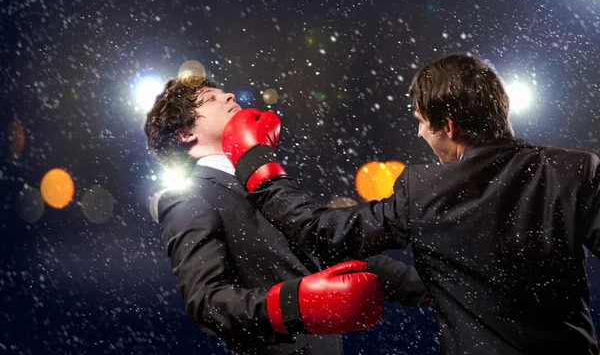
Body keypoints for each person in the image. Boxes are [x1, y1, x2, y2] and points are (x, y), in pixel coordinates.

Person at [221, 52, 600, 355]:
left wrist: (256, 164)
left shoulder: (424, 188)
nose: (418, 132)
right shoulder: (574, 169)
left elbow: (321, 233)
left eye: (421, 121)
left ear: (448, 126)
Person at [143, 77, 429, 355]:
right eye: (210, 99)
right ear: (184, 133)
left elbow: (326, 245)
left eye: (223, 92)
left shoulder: (263, 178)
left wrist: (435, 289)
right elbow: (206, 302)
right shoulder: (188, 198)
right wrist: (292, 304)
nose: (228, 96)